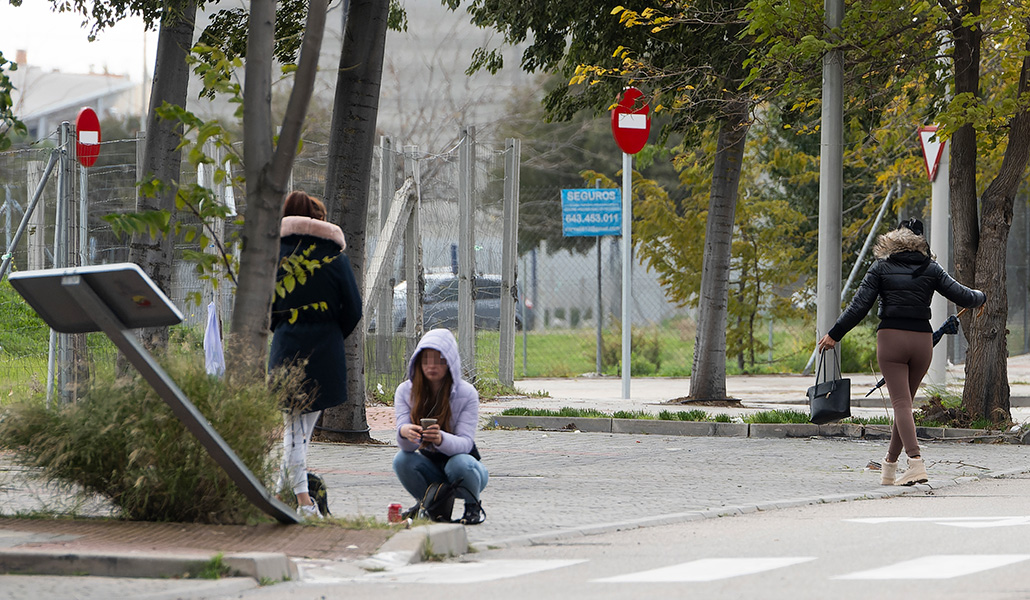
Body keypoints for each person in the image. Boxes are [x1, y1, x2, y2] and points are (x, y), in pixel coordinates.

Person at [817, 218, 985, 486]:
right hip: (922, 342)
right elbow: (963, 296)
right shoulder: (932, 269)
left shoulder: (881, 268)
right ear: (921, 243)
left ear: (893, 240)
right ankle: (889, 467)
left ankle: (916, 462)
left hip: (892, 340)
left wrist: (834, 334)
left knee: (901, 405)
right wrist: (981, 297)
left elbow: (859, 307)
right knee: (904, 405)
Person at [269, 191, 362, 519]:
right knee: (299, 432)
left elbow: (264, 306)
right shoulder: (332, 256)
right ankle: (303, 502)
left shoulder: (273, 254)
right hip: (325, 351)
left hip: (285, 348)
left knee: (295, 430)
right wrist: (332, 334)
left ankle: (284, 498)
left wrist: (280, 328)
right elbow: (353, 307)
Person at [393, 328, 488, 524]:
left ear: (450, 362)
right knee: (401, 459)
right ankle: (428, 506)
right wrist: (405, 432)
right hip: (431, 466)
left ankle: (472, 506)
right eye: (426, 360)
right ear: (418, 362)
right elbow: (406, 444)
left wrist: (441, 438)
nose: (432, 366)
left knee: (458, 462)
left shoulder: (467, 393)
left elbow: (466, 443)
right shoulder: (404, 391)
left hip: (468, 471)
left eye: (440, 360)